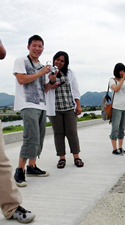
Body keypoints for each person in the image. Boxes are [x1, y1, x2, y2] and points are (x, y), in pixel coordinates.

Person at [0, 39, 35, 223]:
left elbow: (1, 52)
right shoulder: (21, 62)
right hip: (28, 106)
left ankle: (11, 206)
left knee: (1, 161)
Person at [13, 35, 55, 187]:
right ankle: (19, 170)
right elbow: (22, 80)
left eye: (40, 46)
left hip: (41, 105)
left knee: (39, 138)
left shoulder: (42, 66)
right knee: (30, 138)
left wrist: (51, 81)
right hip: (27, 104)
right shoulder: (21, 61)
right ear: (28, 47)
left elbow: (43, 88)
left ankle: (32, 166)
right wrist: (41, 73)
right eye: (34, 45)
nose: (37, 49)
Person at [45, 51, 84, 168]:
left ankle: (76, 157)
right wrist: (51, 80)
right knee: (58, 134)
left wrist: (78, 104)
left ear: (66, 62)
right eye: (57, 59)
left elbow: (75, 89)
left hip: (69, 107)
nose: (59, 62)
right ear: (53, 60)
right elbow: (44, 89)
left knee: (72, 133)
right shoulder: (47, 73)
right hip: (54, 108)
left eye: (62, 60)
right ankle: (61, 158)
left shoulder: (70, 73)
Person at [110, 63, 125, 155]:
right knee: (115, 128)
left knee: (122, 128)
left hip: (124, 107)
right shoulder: (112, 80)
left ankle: (120, 147)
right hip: (116, 107)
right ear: (116, 71)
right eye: (120, 70)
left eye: (123, 71)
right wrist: (123, 79)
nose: (122, 72)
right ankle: (114, 149)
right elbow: (116, 89)